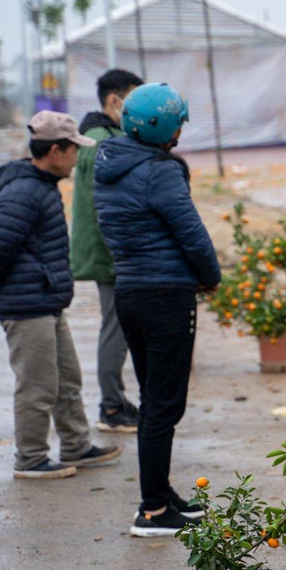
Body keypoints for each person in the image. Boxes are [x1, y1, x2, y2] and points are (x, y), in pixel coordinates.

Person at [94, 84, 221, 537]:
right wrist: (212, 275)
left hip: (131, 291)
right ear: (165, 126)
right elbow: (191, 233)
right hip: (166, 296)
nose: (182, 129)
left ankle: (162, 494)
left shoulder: (109, 164)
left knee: (155, 401)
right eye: (179, 122)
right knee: (164, 404)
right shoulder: (160, 171)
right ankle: (151, 510)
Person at [0, 113, 125, 479]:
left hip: (46, 302)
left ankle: (75, 446)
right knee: (37, 387)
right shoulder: (24, 191)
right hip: (26, 307)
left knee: (67, 381)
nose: (77, 159)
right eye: (73, 151)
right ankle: (31, 458)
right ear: (55, 150)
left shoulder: (41, 185)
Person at [71, 68, 145, 433]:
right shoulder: (100, 140)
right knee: (115, 329)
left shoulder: (103, 134)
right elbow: (105, 204)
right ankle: (111, 408)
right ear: (115, 100)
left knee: (119, 327)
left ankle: (115, 401)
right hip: (110, 251)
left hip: (111, 249)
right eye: (134, 100)